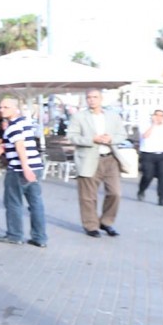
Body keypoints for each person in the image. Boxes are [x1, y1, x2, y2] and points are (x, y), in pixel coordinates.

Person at [67, 89, 127, 237]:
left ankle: (106, 221)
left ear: (101, 99)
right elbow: (72, 137)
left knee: (115, 193)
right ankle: (91, 225)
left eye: (95, 97)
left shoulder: (113, 116)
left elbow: (122, 134)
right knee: (88, 196)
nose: (92, 100)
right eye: (89, 97)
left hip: (110, 158)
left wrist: (111, 139)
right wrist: (91, 139)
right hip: (88, 158)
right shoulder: (78, 117)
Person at [0, 97, 47, 247]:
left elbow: (20, 147)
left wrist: (25, 168)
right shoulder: (24, 122)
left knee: (13, 203)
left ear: (16, 109)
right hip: (36, 166)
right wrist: (5, 146)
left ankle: (15, 235)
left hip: (19, 169)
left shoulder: (12, 126)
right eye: (1, 107)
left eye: (6, 107)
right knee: (36, 203)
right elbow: (19, 141)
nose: (2, 110)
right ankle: (40, 237)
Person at [137, 109, 163, 206]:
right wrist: (153, 125)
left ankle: (161, 198)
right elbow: (145, 136)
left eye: (161, 115)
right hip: (148, 154)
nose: (159, 117)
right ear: (153, 116)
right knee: (148, 175)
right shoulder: (145, 124)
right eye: (157, 115)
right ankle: (141, 190)